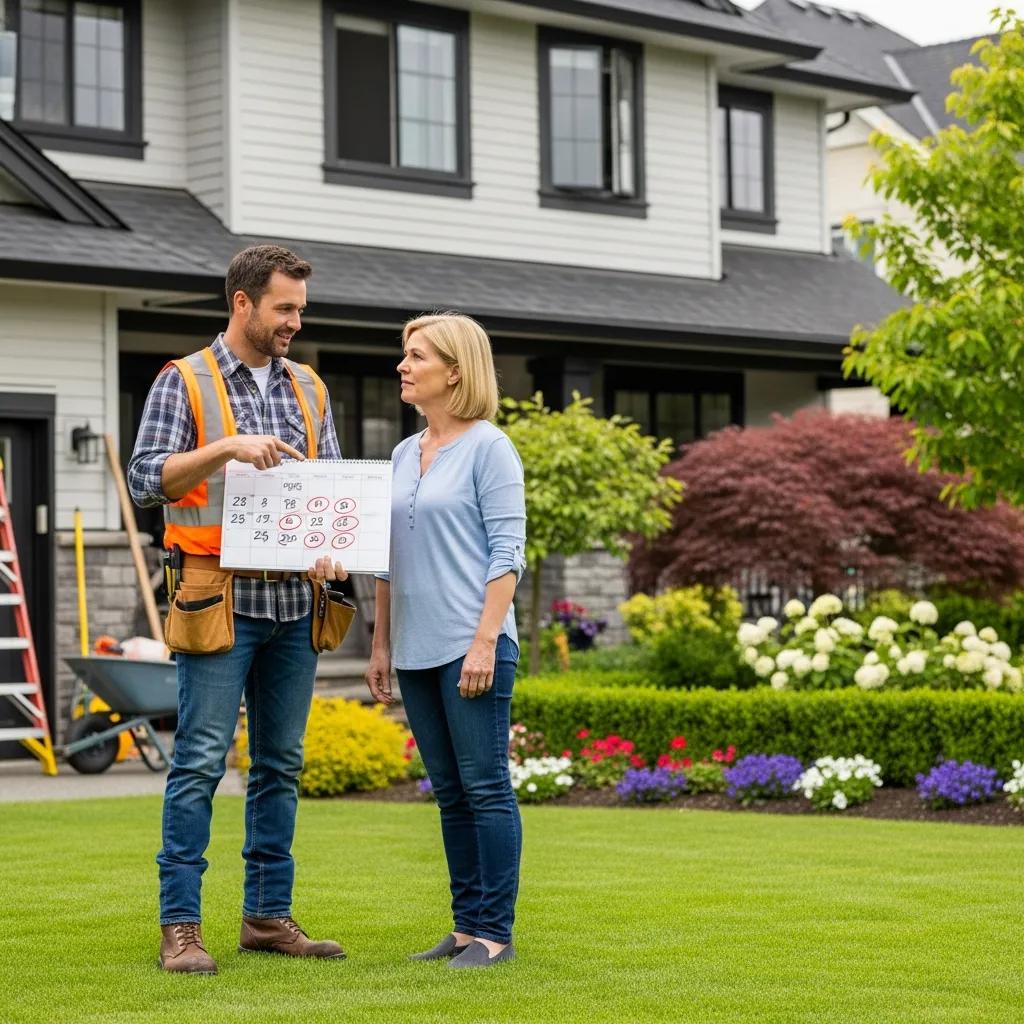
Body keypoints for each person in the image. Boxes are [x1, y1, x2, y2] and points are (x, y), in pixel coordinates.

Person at [129, 244, 348, 975]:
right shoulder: (183, 380)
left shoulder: (309, 386)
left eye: (301, 310)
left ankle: (267, 918)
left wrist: (332, 546)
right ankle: (181, 928)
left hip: (295, 604)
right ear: (243, 302)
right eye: (284, 308)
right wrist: (223, 448)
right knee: (198, 763)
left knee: (280, 765)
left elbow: (329, 488)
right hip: (216, 598)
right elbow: (145, 480)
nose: (295, 322)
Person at [365, 312, 527, 969]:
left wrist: (485, 641)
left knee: (486, 788)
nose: (403, 366)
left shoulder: (491, 448)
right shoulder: (403, 454)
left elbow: (508, 554)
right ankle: (464, 929)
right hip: (413, 648)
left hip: (471, 643)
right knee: (450, 793)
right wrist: (380, 645)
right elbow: (385, 559)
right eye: (405, 354)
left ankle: (495, 934)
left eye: (417, 356)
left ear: (455, 372)